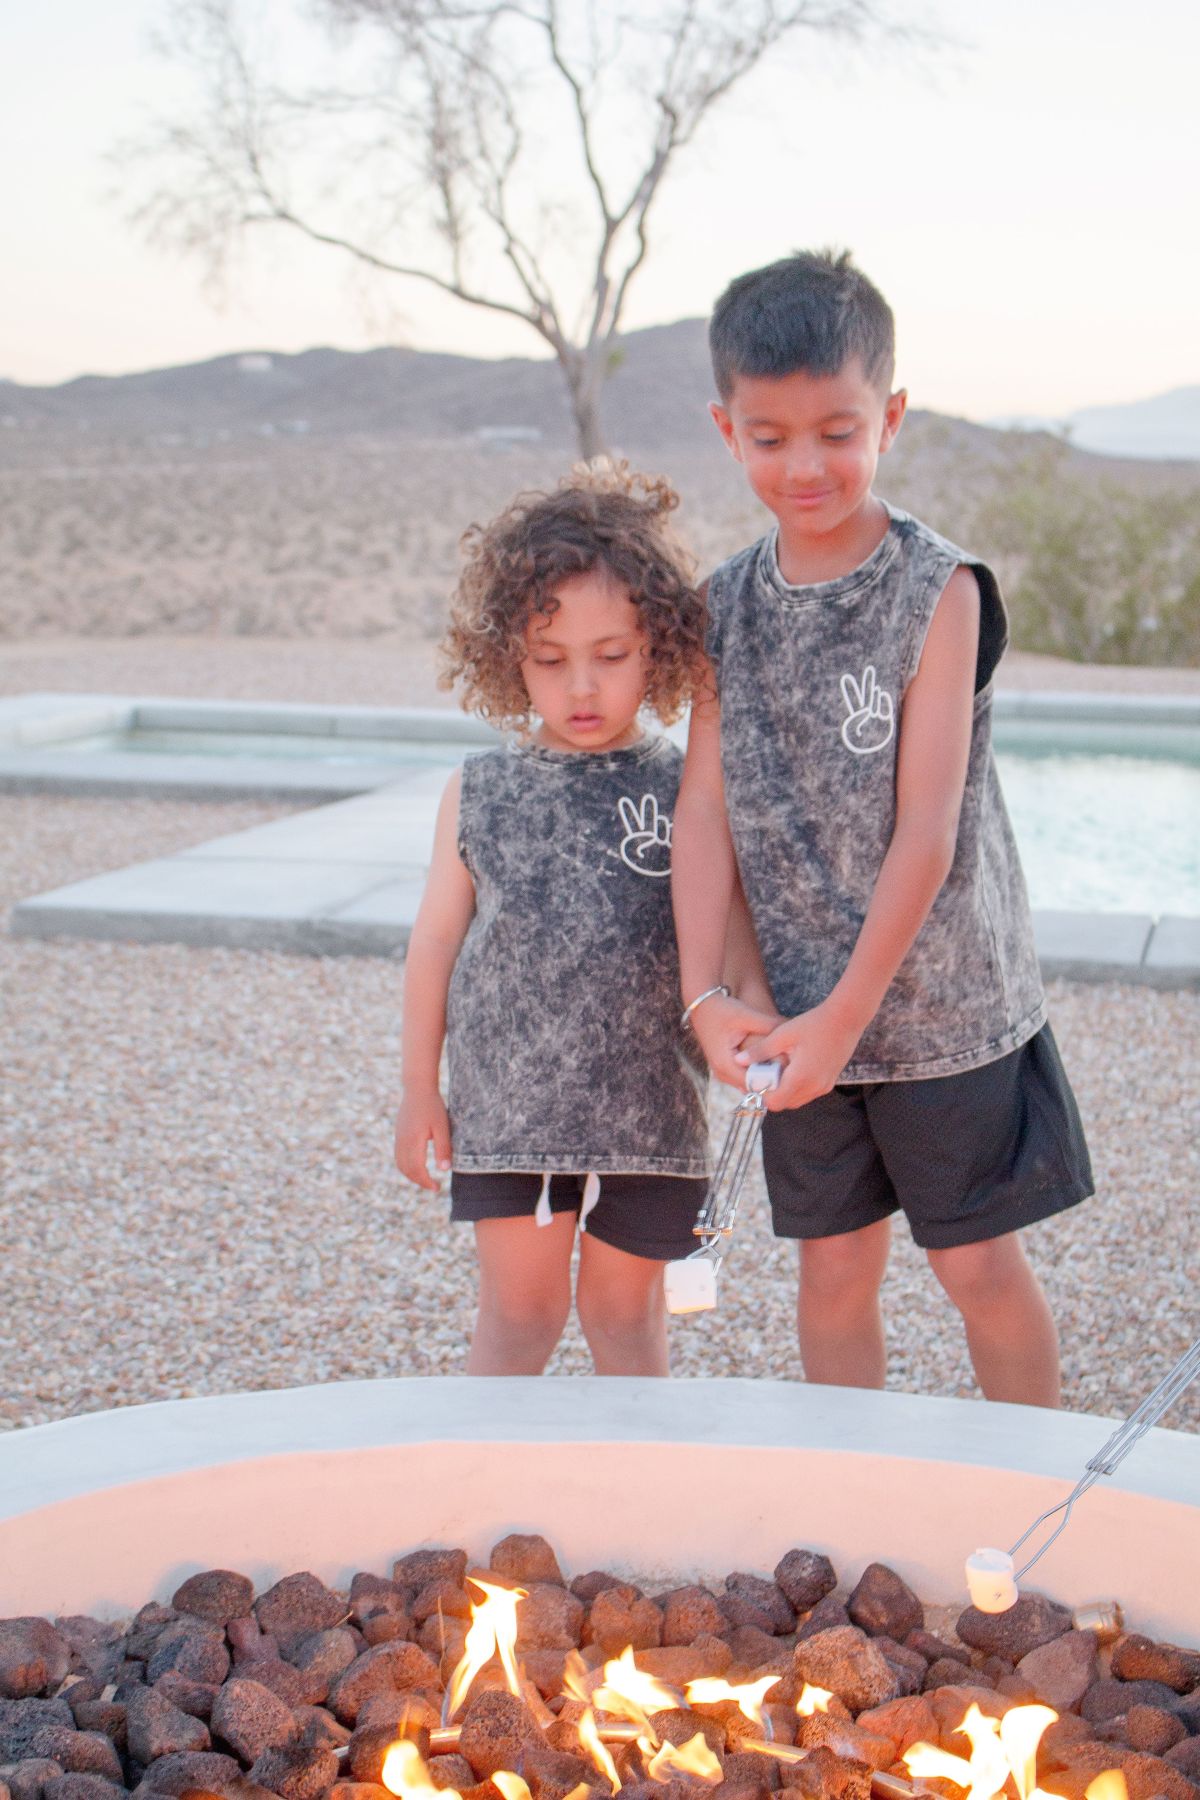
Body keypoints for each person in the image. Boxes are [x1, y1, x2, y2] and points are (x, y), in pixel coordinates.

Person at [672, 250, 1093, 1407]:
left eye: (838, 431)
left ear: (890, 418)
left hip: (941, 1008)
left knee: (977, 1269)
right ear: (727, 429)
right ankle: (851, 1493)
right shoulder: (720, 611)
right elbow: (702, 809)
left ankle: (1033, 1487)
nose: (805, 465)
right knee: (833, 1274)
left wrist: (845, 1021)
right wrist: (708, 996)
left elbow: (928, 832)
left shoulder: (937, 589)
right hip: (796, 1013)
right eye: (770, 437)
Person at [394, 463, 716, 1377]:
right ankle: (486, 1470)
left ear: (657, 647)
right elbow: (435, 944)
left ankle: (637, 1472)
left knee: (625, 1319)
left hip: (655, 1116)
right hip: (510, 1114)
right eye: (549, 659)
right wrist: (419, 1088)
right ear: (508, 658)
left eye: (611, 656)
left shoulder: (689, 788)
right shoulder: (481, 790)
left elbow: (725, 932)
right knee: (520, 1316)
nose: (582, 686)